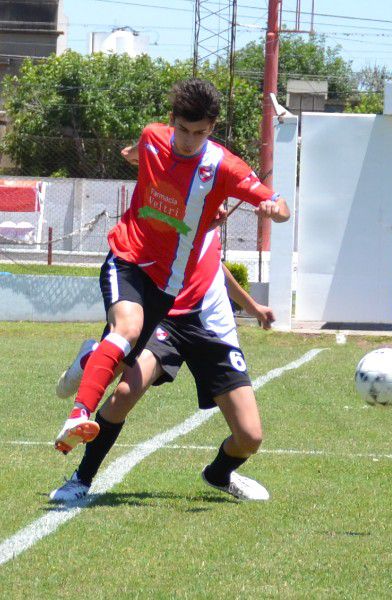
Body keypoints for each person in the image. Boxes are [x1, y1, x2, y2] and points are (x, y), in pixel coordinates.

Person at [54, 78, 291, 455]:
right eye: (182, 129)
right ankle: (78, 414)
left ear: (211, 129)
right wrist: (132, 153)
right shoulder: (153, 137)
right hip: (128, 255)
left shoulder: (223, 167)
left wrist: (272, 210)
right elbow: (139, 150)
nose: (188, 140)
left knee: (118, 356)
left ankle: (87, 358)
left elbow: (280, 207)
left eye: (199, 133)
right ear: (172, 120)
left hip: (167, 283)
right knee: (127, 330)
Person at [51, 234, 277, 502]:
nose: (221, 209)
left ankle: (219, 474)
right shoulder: (173, 220)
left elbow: (216, 265)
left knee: (250, 438)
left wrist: (252, 307)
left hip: (214, 331)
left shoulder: (209, 226)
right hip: (167, 322)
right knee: (124, 394)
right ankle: (82, 479)